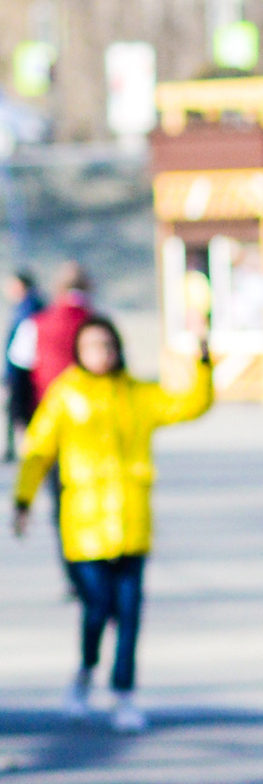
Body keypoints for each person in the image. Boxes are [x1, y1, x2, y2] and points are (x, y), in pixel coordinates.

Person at [12, 313, 213, 731]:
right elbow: (39, 448)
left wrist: (202, 357)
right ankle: (84, 673)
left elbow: (190, 403)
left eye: (107, 345)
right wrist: (23, 500)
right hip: (84, 527)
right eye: (92, 346)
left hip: (131, 523)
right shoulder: (66, 394)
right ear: (79, 352)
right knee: (97, 607)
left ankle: (124, 692)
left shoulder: (136, 394)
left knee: (130, 612)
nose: (101, 354)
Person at [30, 262, 93, 403]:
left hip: (48, 401)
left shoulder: (38, 322)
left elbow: (20, 370)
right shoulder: (96, 322)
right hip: (90, 402)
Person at [3, 271, 36, 449]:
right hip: (18, 370)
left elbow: (22, 350)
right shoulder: (23, 306)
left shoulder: (29, 307)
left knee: (20, 413)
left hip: (22, 371)